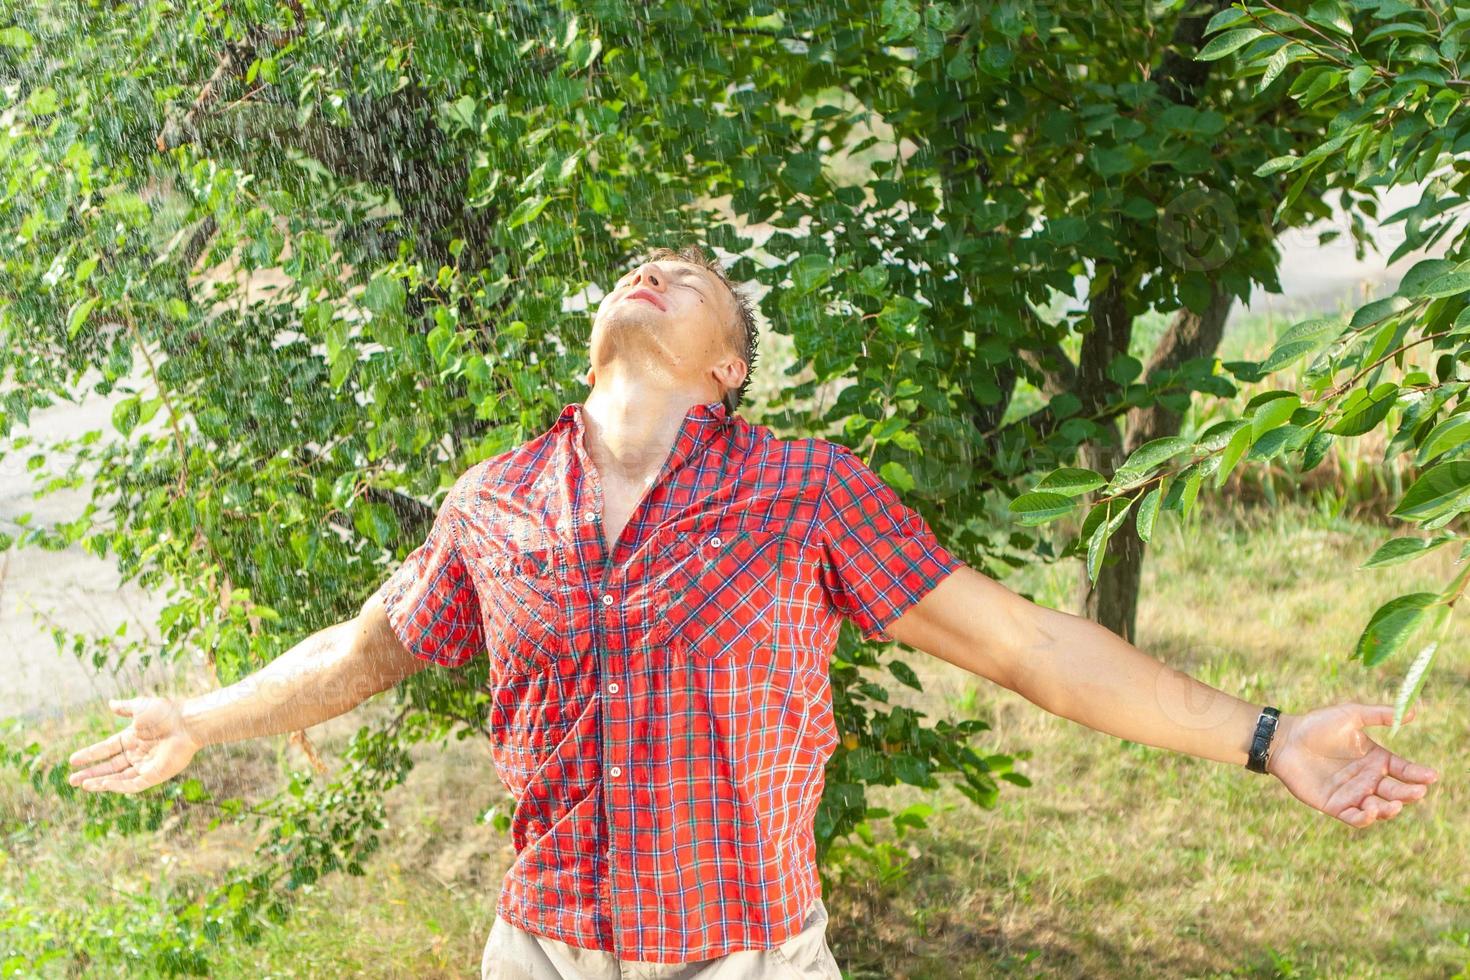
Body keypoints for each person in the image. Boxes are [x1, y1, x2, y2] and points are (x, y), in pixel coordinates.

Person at [66, 245, 1441, 978]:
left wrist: (1268, 739)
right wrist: (200, 714)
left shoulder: (801, 492)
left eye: (691, 273)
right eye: (636, 266)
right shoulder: (490, 501)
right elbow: (362, 651)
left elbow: (1026, 646)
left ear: (725, 364)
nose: (652, 267)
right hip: (537, 953)